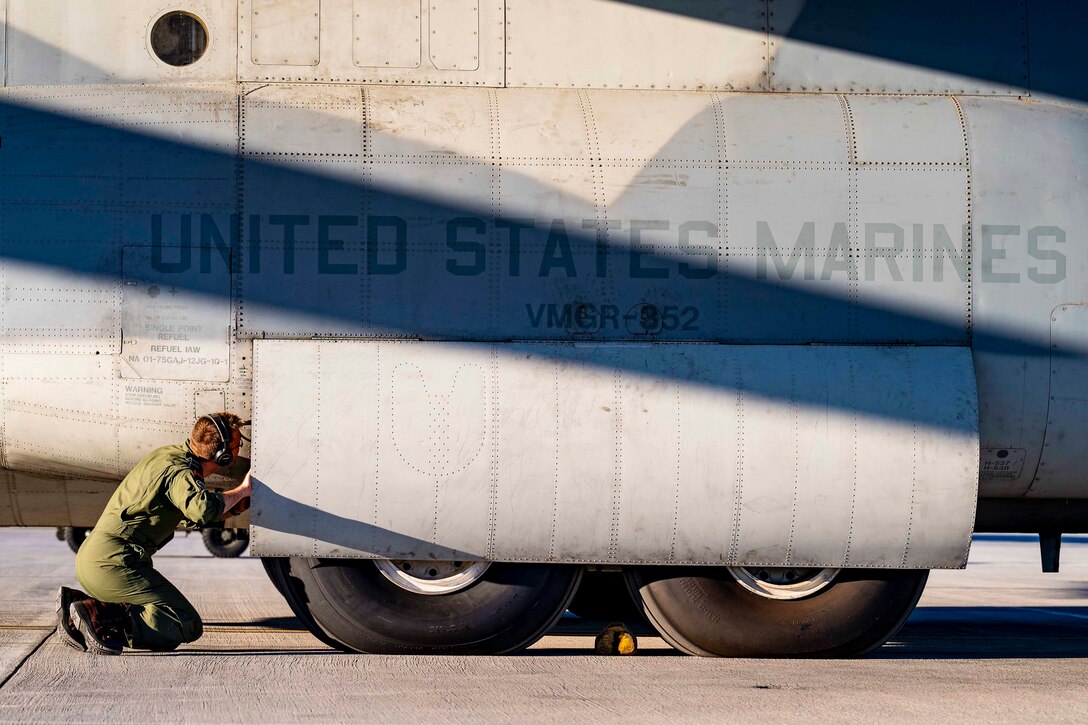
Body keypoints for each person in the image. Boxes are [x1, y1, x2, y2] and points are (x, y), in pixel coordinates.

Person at [56, 413, 252, 655]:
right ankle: (97, 614)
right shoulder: (180, 473)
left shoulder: (167, 455)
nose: (238, 450)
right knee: (185, 622)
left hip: (94, 560)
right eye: (237, 445)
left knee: (162, 612)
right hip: (114, 565)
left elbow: (186, 511)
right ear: (223, 454)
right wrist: (242, 489)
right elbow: (201, 509)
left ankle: (77, 605)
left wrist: (232, 507)